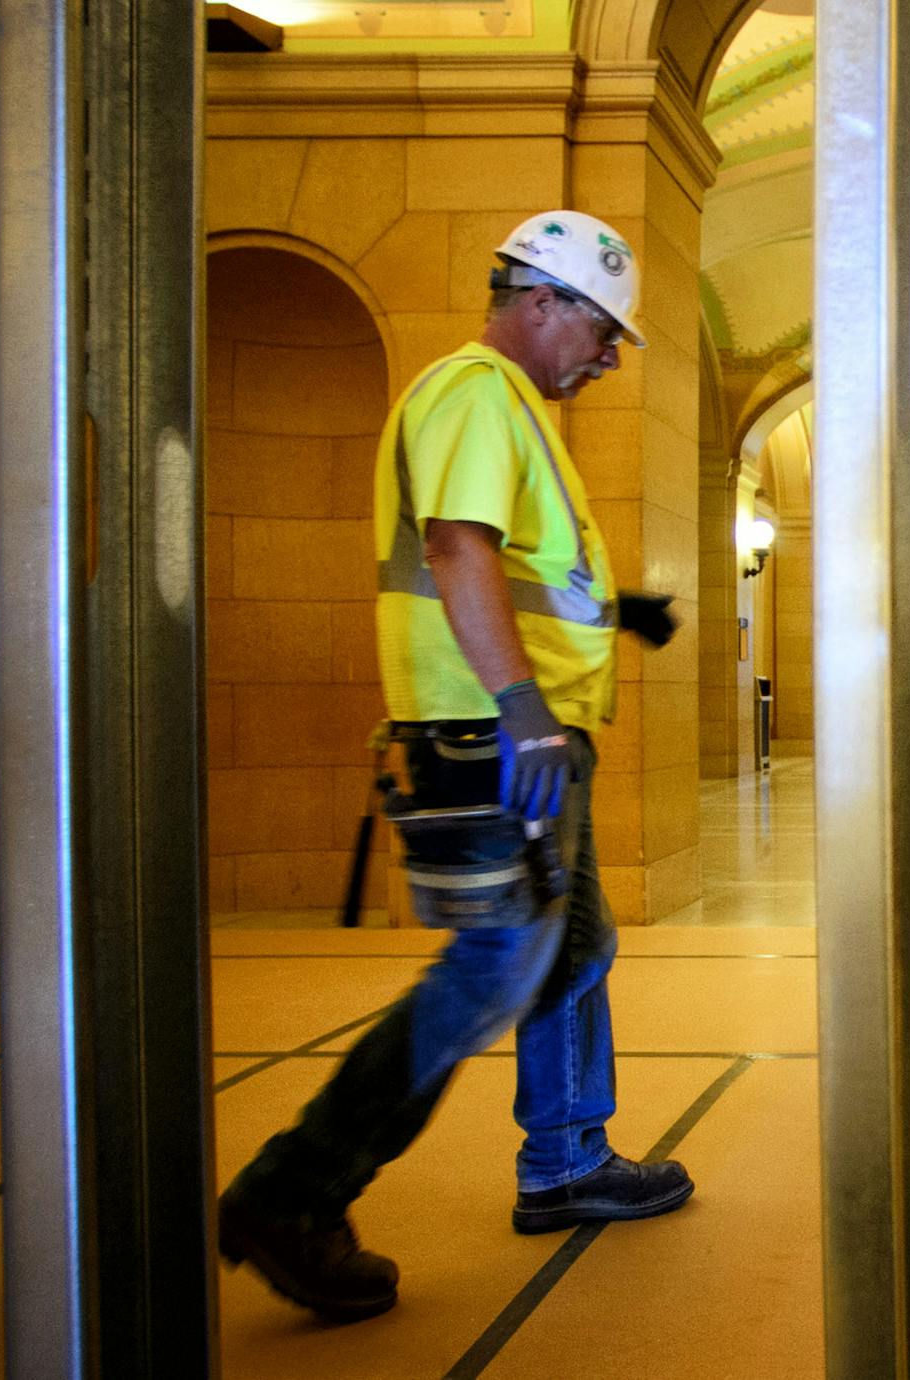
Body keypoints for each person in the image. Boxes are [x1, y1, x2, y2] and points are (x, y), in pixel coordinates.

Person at [218, 210, 691, 1323]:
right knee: (493, 968)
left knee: (573, 941)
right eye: (604, 328)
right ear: (543, 303)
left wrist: (617, 613)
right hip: (491, 740)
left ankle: (568, 1159)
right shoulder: (477, 391)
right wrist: (524, 707)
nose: (612, 355)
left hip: (511, 734)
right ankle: (295, 1190)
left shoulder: (510, 409)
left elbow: (517, 570)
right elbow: (456, 546)